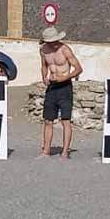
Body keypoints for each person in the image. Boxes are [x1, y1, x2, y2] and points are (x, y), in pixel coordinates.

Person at [37, 27, 82, 158]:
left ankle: (64, 152)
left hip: (65, 87)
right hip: (52, 87)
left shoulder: (64, 49)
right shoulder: (43, 50)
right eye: (52, 41)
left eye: (56, 40)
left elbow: (78, 68)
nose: (55, 42)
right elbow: (44, 66)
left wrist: (65, 77)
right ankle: (46, 151)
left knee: (65, 120)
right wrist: (44, 77)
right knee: (48, 120)